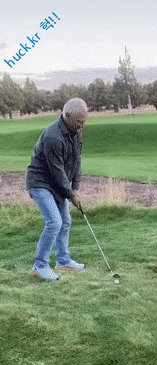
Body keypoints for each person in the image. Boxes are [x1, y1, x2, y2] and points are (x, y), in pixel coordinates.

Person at [26, 97, 89, 281]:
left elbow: (77, 162)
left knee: (65, 221)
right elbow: (57, 172)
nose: (82, 126)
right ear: (66, 115)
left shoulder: (76, 132)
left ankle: (63, 261)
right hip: (40, 182)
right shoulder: (53, 137)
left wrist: (75, 189)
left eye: (84, 121)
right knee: (54, 222)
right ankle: (40, 265)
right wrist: (70, 195)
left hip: (57, 183)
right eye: (79, 122)